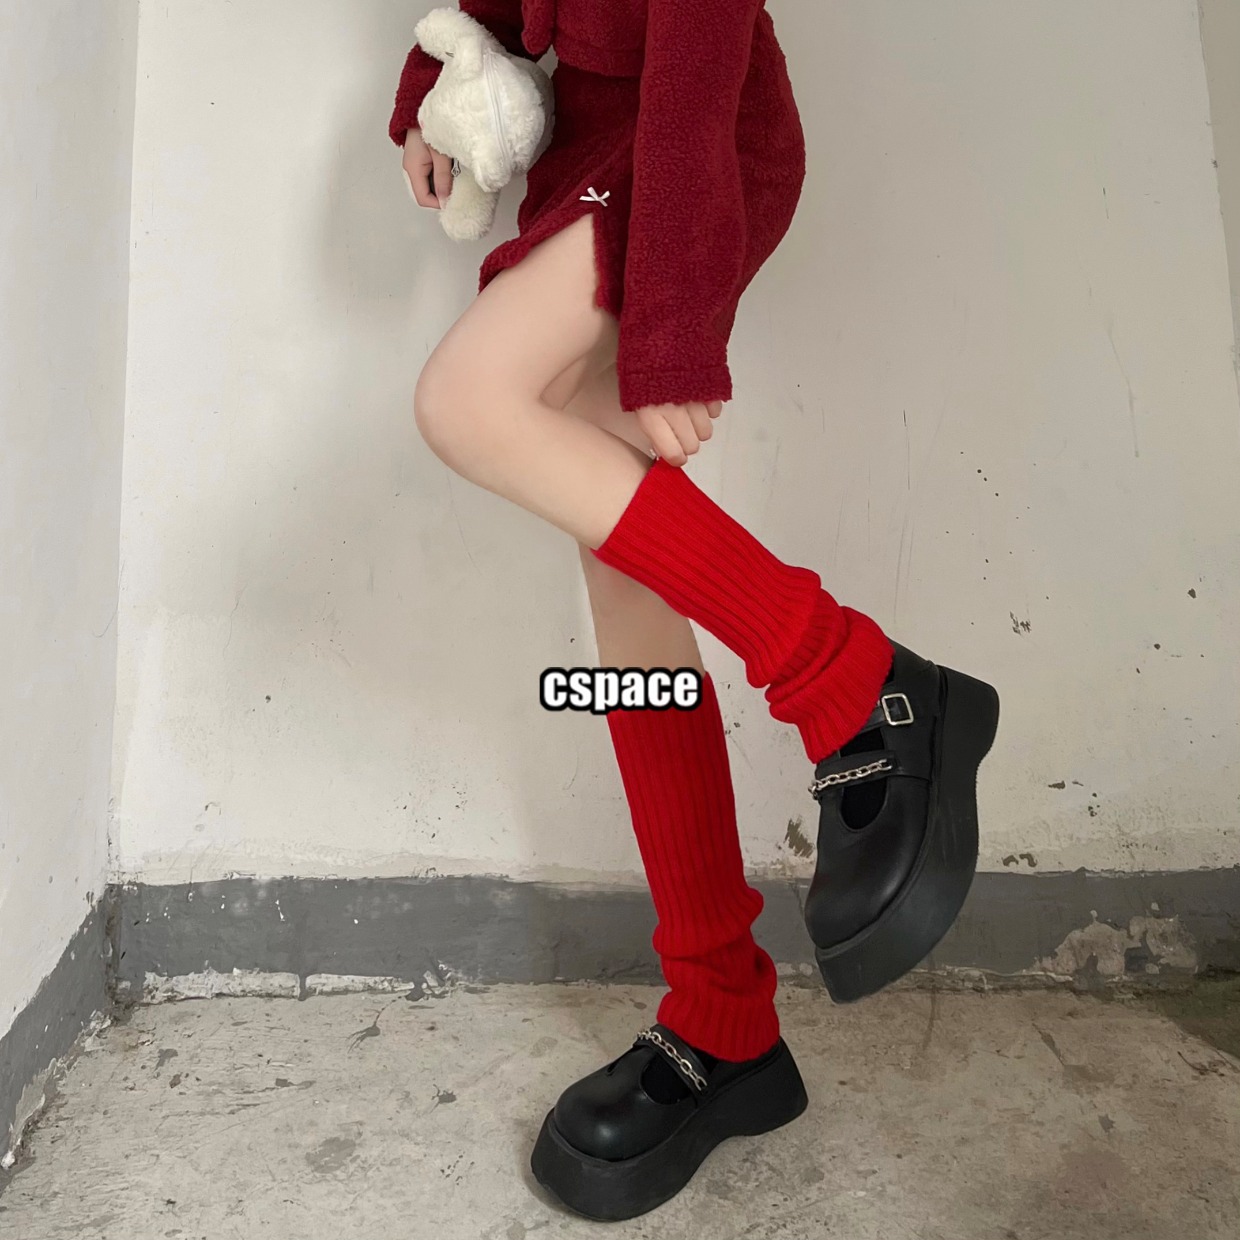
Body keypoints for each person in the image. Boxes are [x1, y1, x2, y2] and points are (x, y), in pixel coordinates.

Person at [389, 0, 1000, 1222]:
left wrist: (673, 332)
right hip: (592, 156)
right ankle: (721, 1016)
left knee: (465, 401)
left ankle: (851, 676)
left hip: (685, 149)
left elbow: (701, 65)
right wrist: (428, 87)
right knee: (626, 582)